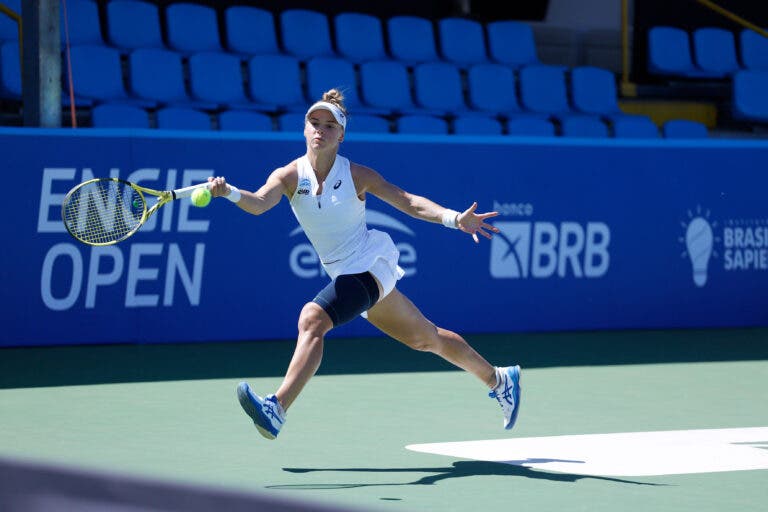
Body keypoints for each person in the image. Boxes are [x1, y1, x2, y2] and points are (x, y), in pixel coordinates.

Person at [208, 89, 521, 440]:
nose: (320, 131)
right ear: (304, 128)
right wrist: (230, 192)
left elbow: (409, 202)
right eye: (314, 123)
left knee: (312, 319)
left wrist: (452, 218)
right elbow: (259, 203)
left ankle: (276, 408)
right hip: (345, 273)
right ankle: (499, 378)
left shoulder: (358, 175)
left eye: (329, 125)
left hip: (372, 262)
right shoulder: (289, 176)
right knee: (426, 339)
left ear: (341, 135)